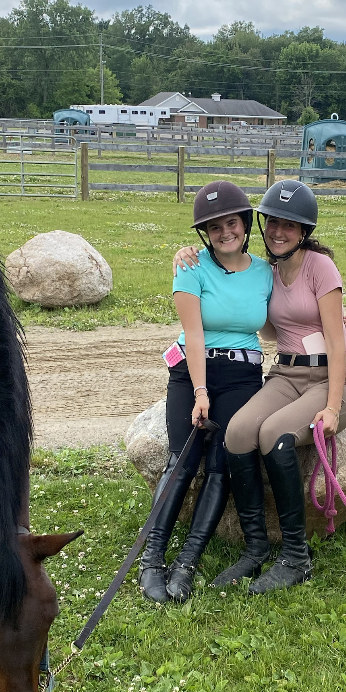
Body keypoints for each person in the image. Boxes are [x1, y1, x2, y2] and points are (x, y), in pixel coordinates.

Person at [173, 179, 346, 595]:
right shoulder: (268, 271)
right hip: (288, 373)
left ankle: (296, 557)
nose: (279, 231)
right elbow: (248, 302)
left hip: (334, 374)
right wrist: (188, 255)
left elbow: (335, 339)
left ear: (304, 232)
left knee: (274, 437)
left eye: (289, 226)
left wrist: (331, 408)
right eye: (273, 223)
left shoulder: (320, 267)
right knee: (238, 434)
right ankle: (256, 546)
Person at [138, 180, 273, 605]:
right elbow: (193, 335)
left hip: (242, 375)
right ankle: (153, 557)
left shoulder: (265, 272)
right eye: (214, 227)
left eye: (230, 223)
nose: (223, 232)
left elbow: (277, 322)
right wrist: (199, 391)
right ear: (205, 234)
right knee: (183, 457)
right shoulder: (190, 266)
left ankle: (189, 560)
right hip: (193, 371)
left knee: (222, 462)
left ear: (245, 224)